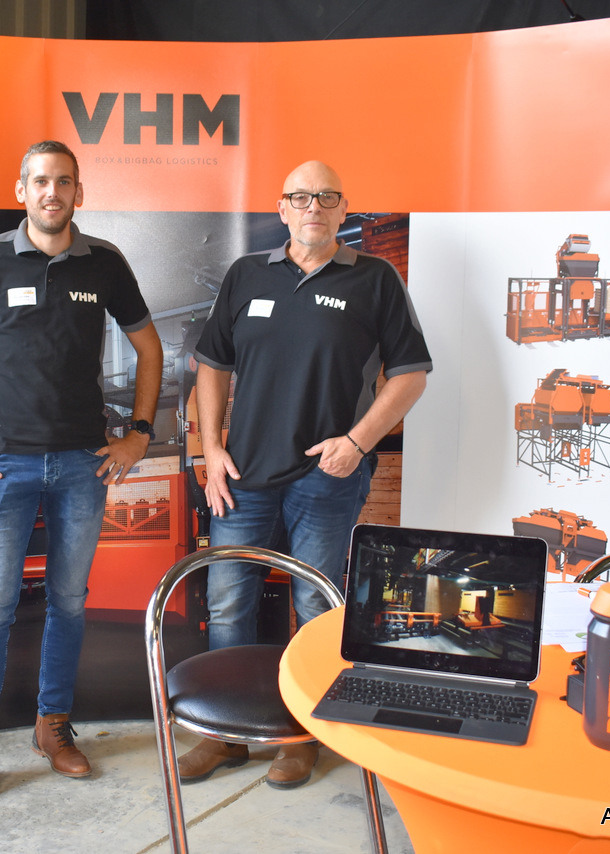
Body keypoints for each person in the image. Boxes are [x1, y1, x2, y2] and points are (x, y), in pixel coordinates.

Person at [0, 140, 163, 813]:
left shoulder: (104, 262)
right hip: (2, 465)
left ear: (79, 192)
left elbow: (148, 345)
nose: (53, 193)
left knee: (69, 602)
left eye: (64, 182)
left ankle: (53, 727)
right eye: (41, 181)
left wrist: (139, 433)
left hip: (82, 463)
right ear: (21, 190)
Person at [185, 160, 431, 788]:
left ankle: (302, 736)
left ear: (343, 208)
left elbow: (410, 375)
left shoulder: (375, 278)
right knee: (228, 598)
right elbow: (211, 364)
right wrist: (211, 448)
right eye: (300, 197)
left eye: (326, 197)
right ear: (283, 208)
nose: (313, 207)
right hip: (243, 473)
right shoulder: (247, 275)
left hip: (328, 475)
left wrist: (357, 442)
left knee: (316, 604)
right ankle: (226, 734)